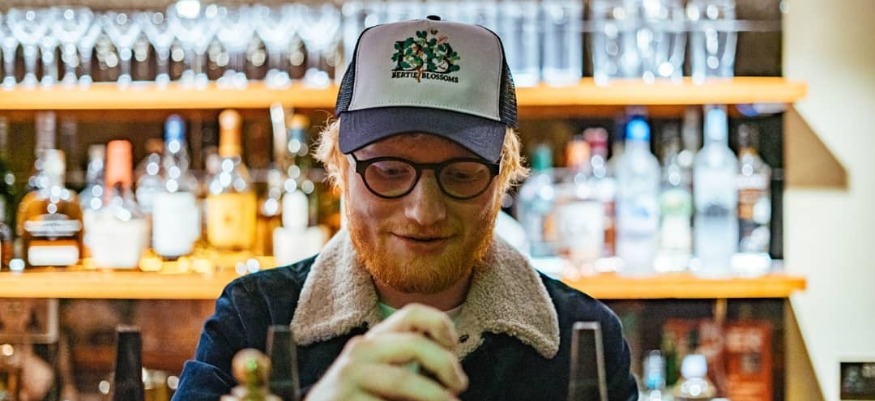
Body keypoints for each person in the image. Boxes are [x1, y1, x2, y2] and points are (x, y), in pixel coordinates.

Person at [173, 16, 638, 401]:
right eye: (389, 171)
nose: (424, 212)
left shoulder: (584, 338)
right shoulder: (256, 317)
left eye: (461, 174)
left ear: (505, 176)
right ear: (338, 168)